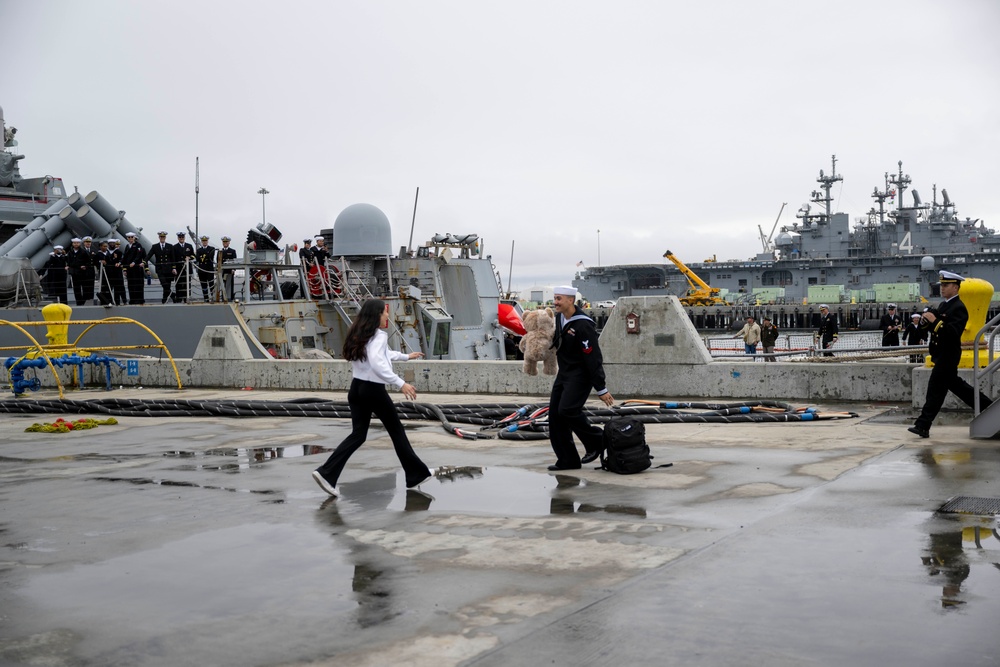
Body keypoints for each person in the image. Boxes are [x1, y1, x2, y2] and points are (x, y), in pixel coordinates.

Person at [311, 299, 430, 498]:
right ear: (376, 314)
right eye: (385, 312)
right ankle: (415, 475)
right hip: (373, 390)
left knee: (358, 435)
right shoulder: (379, 336)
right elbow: (377, 361)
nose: (387, 316)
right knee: (397, 431)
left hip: (356, 388)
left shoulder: (359, 333)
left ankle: (326, 473)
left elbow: (382, 354)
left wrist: (405, 357)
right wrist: (401, 383)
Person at [908, 271, 993, 438]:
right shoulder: (944, 306)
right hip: (941, 355)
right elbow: (936, 329)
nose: (942, 288)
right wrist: (927, 322)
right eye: (941, 285)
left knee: (935, 389)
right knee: (957, 388)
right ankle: (988, 407)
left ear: (955, 287)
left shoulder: (959, 308)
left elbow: (953, 333)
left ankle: (923, 425)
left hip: (948, 355)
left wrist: (935, 321)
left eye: (946, 285)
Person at [546, 285, 615, 471]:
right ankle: (567, 460)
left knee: (568, 410)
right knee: (555, 416)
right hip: (564, 373)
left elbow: (593, 358)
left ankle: (597, 441)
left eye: (559, 299)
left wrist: (601, 388)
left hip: (580, 375)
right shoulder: (560, 318)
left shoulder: (583, 325)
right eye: (555, 298)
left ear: (570, 300)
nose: (555, 302)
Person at [146, 231, 178, 303]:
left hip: (169, 270)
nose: (162, 238)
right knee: (164, 284)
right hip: (160, 269)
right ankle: (173, 295)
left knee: (167, 286)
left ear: (165, 237)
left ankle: (164, 300)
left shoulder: (170, 246)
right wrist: (144, 262)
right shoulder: (155, 246)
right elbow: (149, 255)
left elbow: (173, 258)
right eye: (161, 237)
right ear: (159, 237)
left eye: (163, 237)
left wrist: (173, 267)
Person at [67, 237, 93, 305]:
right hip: (74, 272)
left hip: (82, 272)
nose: (76, 244)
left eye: (77, 243)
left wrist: (85, 266)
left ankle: (83, 301)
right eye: (74, 243)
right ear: (72, 244)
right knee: (76, 288)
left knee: (84, 288)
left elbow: (88, 262)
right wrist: (68, 266)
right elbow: (69, 261)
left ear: (80, 244)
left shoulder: (84, 252)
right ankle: (78, 302)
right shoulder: (70, 252)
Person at [122, 232, 147, 304]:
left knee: (138, 284)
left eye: (132, 237)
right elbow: (125, 257)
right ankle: (132, 299)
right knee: (131, 284)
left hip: (136, 268)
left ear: (134, 238)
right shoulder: (127, 246)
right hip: (130, 269)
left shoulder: (138, 245)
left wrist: (134, 262)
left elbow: (138, 255)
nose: (130, 239)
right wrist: (124, 267)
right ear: (127, 238)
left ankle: (139, 299)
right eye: (129, 237)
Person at [173, 232, 195, 302]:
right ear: (178, 238)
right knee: (178, 284)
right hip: (179, 269)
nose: (181, 238)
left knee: (187, 284)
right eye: (180, 237)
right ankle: (179, 298)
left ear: (184, 238)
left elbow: (193, 255)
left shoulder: (189, 246)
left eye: (182, 237)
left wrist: (189, 258)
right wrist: (174, 268)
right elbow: (173, 258)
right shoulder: (175, 247)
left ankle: (187, 298)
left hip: (187, 269)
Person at [195, 235, 217, 301]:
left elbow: (210, 256)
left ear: (207, 241)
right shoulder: (198, 250)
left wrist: (203, 256)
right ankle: (206, 298)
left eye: (205, 241)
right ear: (201, 242)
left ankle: (213, 297)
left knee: (211, 284)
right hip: (201, 270)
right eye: (203, 241)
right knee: (203, 285)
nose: (204, 242)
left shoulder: (212, 248)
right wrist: (204, 256)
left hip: (209, 269)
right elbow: (198, 258)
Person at [108, 239, 127, 305]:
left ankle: (121, 301)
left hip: (117, 272)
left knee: (119, 287)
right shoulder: (107, 252)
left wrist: (117, 261)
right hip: (109, 272)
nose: (112, 245)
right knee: (110, 287)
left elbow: (121, 260)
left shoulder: (119, 252)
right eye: (111, 243)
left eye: (114, 243)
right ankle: (110, 301)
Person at [218, 235, 237, 301]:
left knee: (230, 285)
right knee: (222, 284)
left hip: (229, 270)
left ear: (229, 243)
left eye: (226, 242)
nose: (225, 243)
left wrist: (234, 269)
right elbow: (218, 261)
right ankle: (223, 297)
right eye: (224, 242)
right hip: (222, 271)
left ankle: (230, 297)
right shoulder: (220, 251)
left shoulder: (232, 251)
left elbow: (234, 261)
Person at [94, 240, 113, 306]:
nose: (105, 247)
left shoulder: (109, 254)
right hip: (102, 272)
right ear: (101, 247)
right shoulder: (98, 254)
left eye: (106, 246)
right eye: (104, 246)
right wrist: (100, 262)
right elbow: (95, 262)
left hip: (109, 272)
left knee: (110, 286)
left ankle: (110, 300)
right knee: (103, 287)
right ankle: (104, 300)